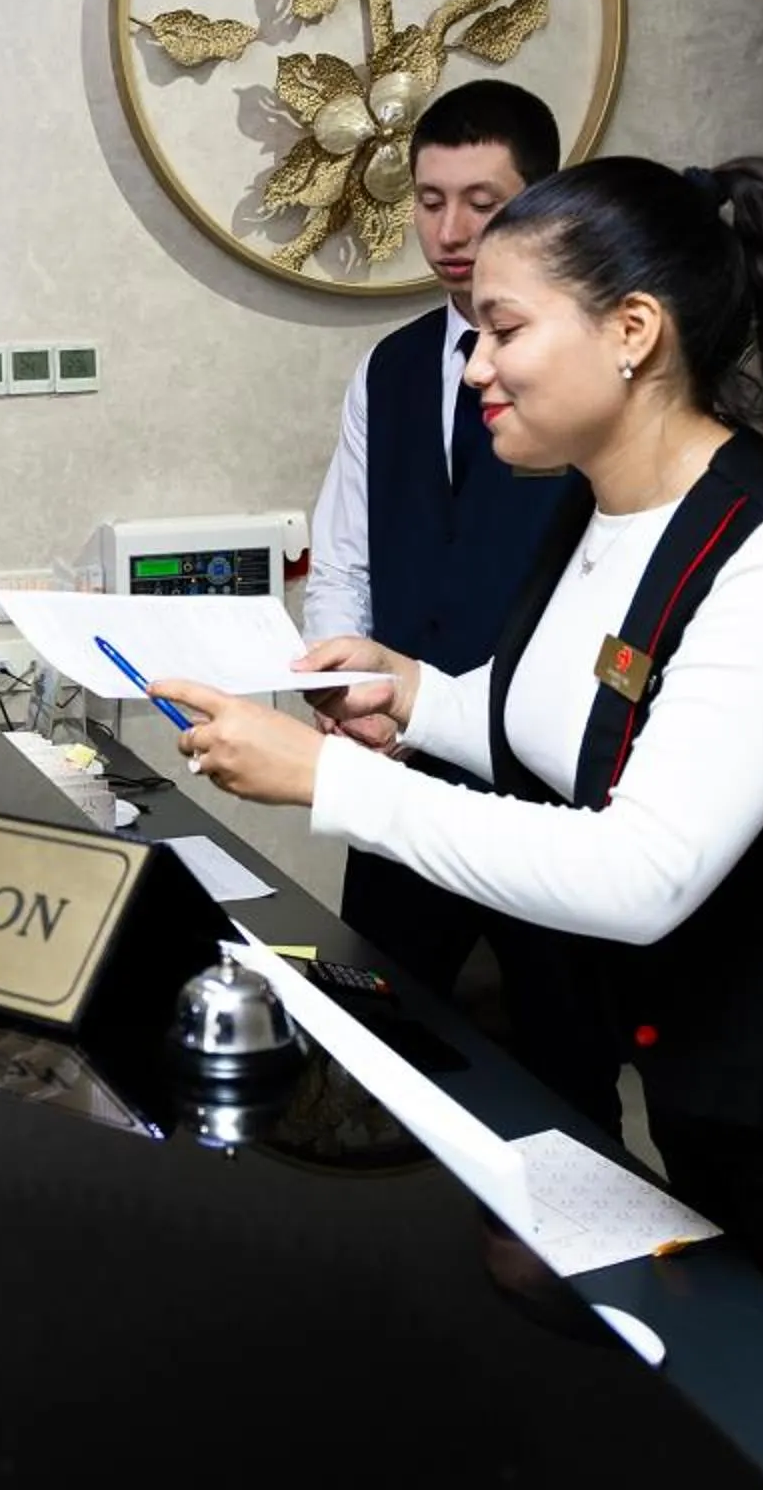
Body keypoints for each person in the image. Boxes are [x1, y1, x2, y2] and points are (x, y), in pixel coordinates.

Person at [157, 157, 763, 1457]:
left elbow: (644, 870)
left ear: (635, 332)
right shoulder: (598, 510)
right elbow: (583, 727)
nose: (474, 369)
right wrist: (420, 703)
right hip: (722, 1091)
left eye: (505, 330)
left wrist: (333, 783)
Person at [300, 79, 616, 1128]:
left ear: (545, 200)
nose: (449, 229)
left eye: (481, 200)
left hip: (549, 783)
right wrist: (342, 693)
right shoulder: (388, 368)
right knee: (374, 1043)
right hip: (401, 767)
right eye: (429, 199)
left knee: (570, 1066)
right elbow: (344, 556)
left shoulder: (594, 379)